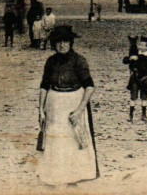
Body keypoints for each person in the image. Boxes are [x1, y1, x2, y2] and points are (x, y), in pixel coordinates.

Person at [38, 26, 99, 186]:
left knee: (73, 140)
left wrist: (80, 110)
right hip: (54, 104)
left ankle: (74, 177)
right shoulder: (51, 61)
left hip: (73, 102)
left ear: (71, 43)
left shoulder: (79, 60)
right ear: (54, 44)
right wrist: (41, 109)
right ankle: (55, 176)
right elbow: (44, 86)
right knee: (55, 138)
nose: (62, 45)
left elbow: (89, 87)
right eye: (58, 42)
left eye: (65, 41)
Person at [123, 36, 147, 122]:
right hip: (134, 78)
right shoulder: (135, 54)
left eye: (143, 45)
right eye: (140, 45)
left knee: (144, 97)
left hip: (144, 79)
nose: (141, 46)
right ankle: (131, 114)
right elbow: (125, 61)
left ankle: (144, 114)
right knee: (133, 96)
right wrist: (129, 58)